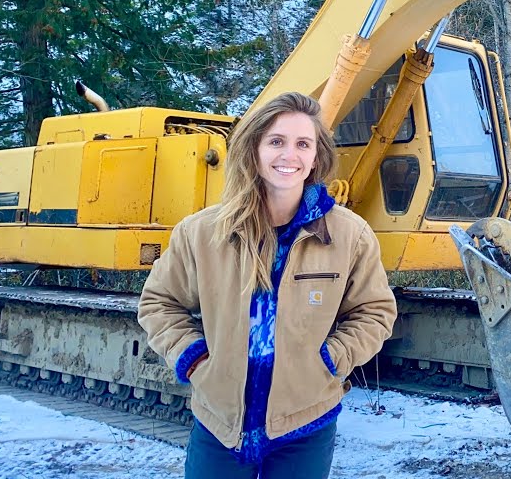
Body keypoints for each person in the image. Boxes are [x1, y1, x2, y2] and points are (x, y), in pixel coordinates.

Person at [138, 91, 397, 478]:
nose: (288, 155)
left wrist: (332, 359)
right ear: (255, 150)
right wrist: (193, 357)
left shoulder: (350, 236)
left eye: (302, 144)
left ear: (316, 157)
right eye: (276, 141)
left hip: (305, 425)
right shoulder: (203, 232)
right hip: (220, 425)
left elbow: (375, 312)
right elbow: (159, 303)